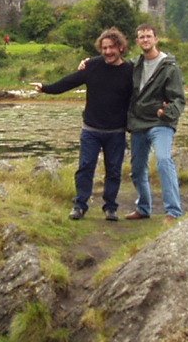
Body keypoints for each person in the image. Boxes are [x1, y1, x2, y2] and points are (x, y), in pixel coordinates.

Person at [32, 28, 134, 221]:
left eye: (111, 47)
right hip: (91, 130)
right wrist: (46, 88)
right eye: (104, 48)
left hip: (116, 132)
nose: (107, 52)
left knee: (113, 170)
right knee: (85, 167)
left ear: (121, 47)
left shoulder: (130, 70)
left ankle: (110, 207)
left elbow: (142, 94)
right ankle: (80, 205)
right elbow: (69, 81)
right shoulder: (92, 65)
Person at [125, 24, 186, 221]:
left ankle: (173, 211)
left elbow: (178, 99)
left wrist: (166, 113)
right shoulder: (134, 66)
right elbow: (111, 67)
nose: (145, 40)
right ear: (137, 41)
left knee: (163, 160)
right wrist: (87, 64)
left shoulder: (169, 67)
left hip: (161, 123)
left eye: (148, 36)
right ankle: (143, 208)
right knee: (137, 169)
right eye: (141, 37)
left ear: (156, 39)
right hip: (138, 123)